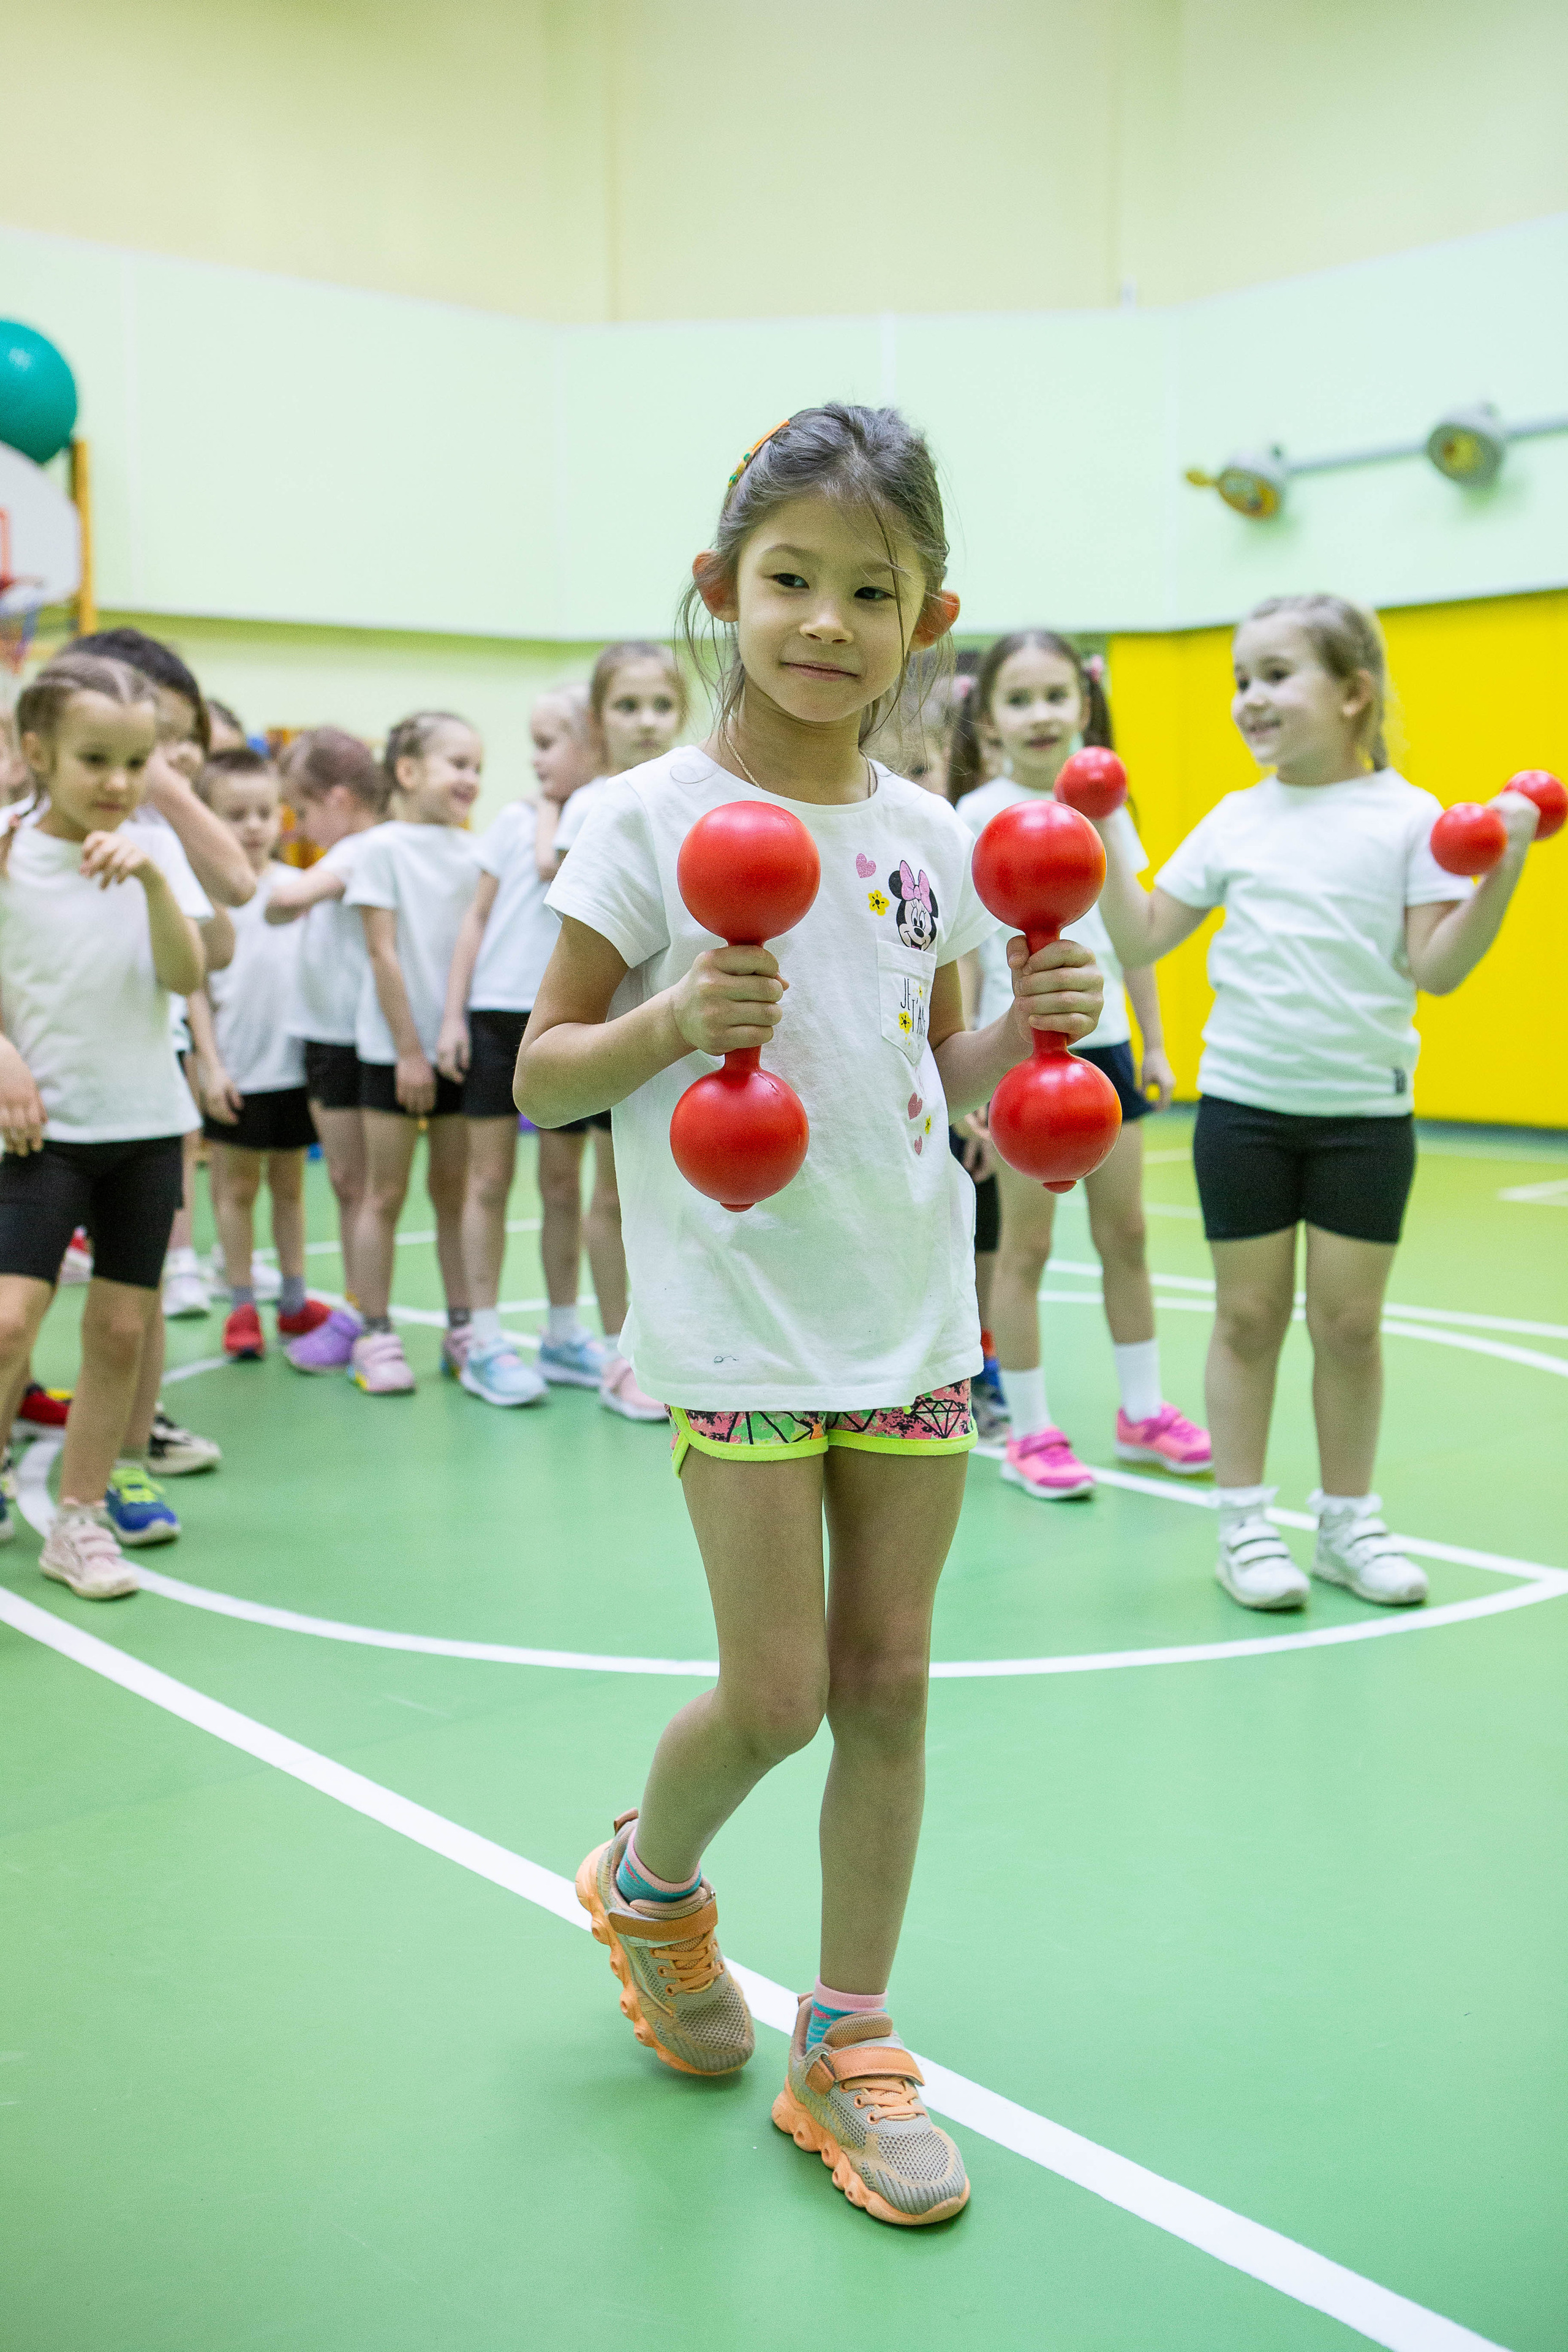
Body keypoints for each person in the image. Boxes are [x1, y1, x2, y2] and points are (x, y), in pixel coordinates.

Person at [520, 404, 1102, 2226]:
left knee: (890, 1682)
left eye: (871, 588)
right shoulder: (637, 816)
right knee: (775, 1696)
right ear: (721, 587)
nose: (826, 622)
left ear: (930, 618)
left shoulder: (934, 835)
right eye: (790, 579)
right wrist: (664, 1025)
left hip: (912, 1307)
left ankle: (846, 2036)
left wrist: (1032, 1027)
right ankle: (648, 1884)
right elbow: (540, 1073)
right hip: (739, 1316)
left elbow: (932, 1073)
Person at [1091, 592, 1539, 1610]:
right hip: (1245, 1110)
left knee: (1350, 1327)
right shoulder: (1235, 818)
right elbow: (1141, 935)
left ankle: (1347, 1526)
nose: (1250, 698)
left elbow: (1437, 968)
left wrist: (1503, 871)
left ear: (1352, 693)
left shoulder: (1413, 819)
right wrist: (1108, 822)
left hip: (1365, 1117)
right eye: (1240, 680)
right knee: (1248, 1319)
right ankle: (1244, 1527)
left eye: (1276, 675)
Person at [957, 632, 1210, 1499]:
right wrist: (970, 1074)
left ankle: (1142, 1413)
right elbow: (962, 956)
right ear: (989, 720)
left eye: (1056, 695)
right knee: (1024, 1247)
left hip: (1104, 1056)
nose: (1041, 715)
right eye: (1019, 699)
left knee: (1126, 1235)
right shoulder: (974, 815)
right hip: (1018, 1060)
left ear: (1084, 705)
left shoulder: (1107, 809)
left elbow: (1132, 939)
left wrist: (1155, 1043)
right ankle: (1030, 1429)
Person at [0, 654, 206, 1593]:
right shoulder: (8, 853)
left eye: (134, 762)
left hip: (147, 1126)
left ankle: (78, 1521)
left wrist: (155, 882)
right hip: (39, 1132)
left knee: (122, 1330)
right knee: (11, 1321)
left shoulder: (154, 854)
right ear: (37, 752)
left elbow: (185, 976)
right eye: (95, 760)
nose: (118, 783)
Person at [70, 627, 243, 1469]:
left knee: (131, 1287)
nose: (171, 757)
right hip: (37, 1076)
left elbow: (229, 912)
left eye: (176, 742)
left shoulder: (153, 832)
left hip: (139, 1075)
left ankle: (134, 1439)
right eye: (159, 736)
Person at [435, 687, 611, 1408]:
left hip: (563, 1020)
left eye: (548, 744)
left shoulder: (604, 814)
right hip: (495, 1017)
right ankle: (482, 1338)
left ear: (590, 744)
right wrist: (452, 1017)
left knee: (563, 1185)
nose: (536, 759)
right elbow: (476, 919)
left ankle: (563, 1334)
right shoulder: (511, 821)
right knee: (488, 1180)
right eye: (533, 745)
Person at [546, 641, 692, 1422]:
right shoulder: (594, 807)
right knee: (609, 1194)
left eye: (661, 706)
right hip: (606, 1033)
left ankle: (666, 1341)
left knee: (663, 1192)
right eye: (627, 707)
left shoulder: (688, 801)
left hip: (672, 1036)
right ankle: (617, 1351)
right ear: (597, 721)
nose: (646, 722)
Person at [341, 712, 483, 1395]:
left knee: (453, 1193)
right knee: (386, 1193)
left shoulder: (476, 853)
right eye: (457, 763)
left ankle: (464, 1330)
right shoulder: (380, 849)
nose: (471, 778)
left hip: (457, 1049)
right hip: (394, 1053)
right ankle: (374, 1334)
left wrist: (446, 1038)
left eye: (477, 767)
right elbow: (382, 952)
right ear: (408, 771)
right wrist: (408, 1051)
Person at [189, 748, 331, 1362]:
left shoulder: (295, 889)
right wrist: (211, 1065)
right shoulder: (204, 897)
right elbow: (195, 987)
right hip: (238, 1070)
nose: (252, 826)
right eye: (235, 814)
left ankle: (294, 1301)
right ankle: (242, 1302)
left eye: (263, 812)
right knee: (236, 1189)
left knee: (291, 1187)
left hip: (293, 1068)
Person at [265, 728, 392, 1372]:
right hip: (329, 1037)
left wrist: (251, 864)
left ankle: (362, 1314)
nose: (300, 825)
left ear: (339, 798)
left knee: (356, 1185)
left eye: (303, 809)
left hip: (348, 1040)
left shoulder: (360, 850)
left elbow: (284, 901)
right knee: (349, 1183)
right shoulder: (353, 851)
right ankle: (357, 1305)